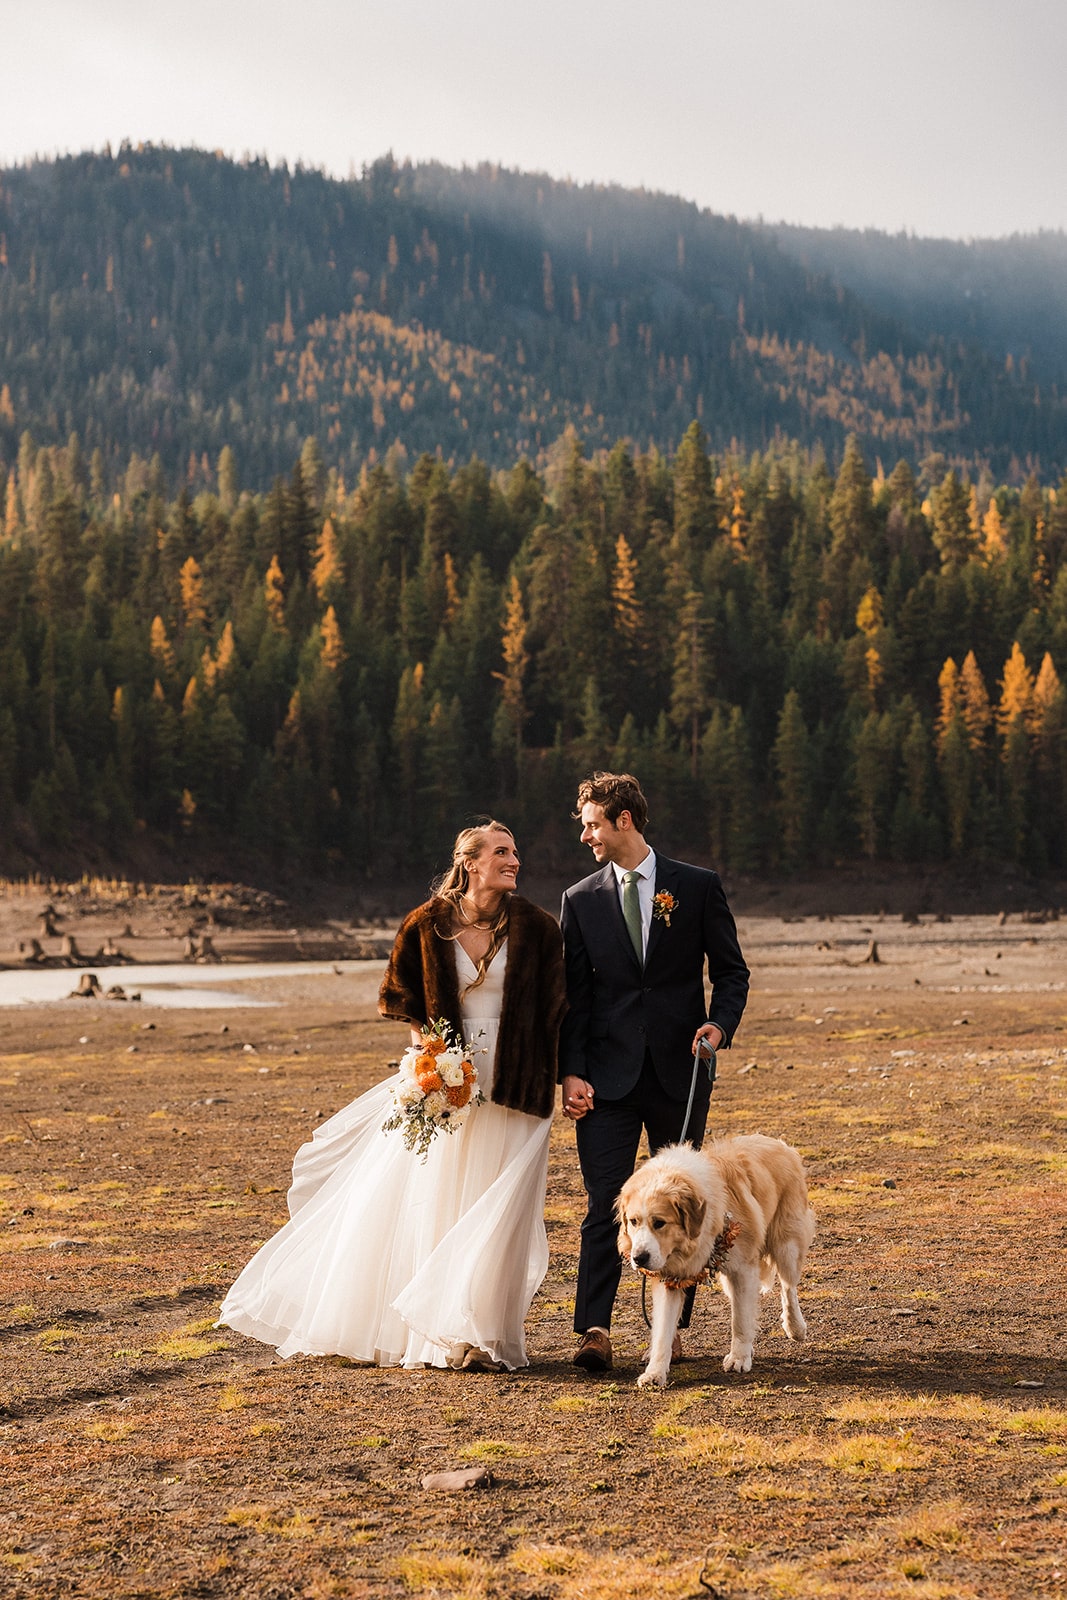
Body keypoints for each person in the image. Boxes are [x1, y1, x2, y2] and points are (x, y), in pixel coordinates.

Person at [219, 821, 566, 1371]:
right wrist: (435, 1068)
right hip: (451, 1083)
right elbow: (409, 1012)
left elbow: (558, 1013)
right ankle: (447, 1335)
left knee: (505, 1212)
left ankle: (490, 1334)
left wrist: (567, 1076)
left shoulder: (539, 928)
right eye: (502, 852)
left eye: (516, 852)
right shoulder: (424, 927)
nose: (514, 860)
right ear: (471, 862)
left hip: (520, 1082)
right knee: (448, 1200)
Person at [559, 771, 750, 1371]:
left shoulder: (696, 886)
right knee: (603, 1204)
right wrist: (571, 1072)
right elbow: (574, 998)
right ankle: (594, 1328)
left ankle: (671, 1331)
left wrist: (718, 1026)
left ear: (624, 820)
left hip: (681, 1073)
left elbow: (731, 972)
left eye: (592, 824)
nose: (586, 836)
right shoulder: (580, 898)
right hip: (605, 1078)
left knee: (682, 1205)